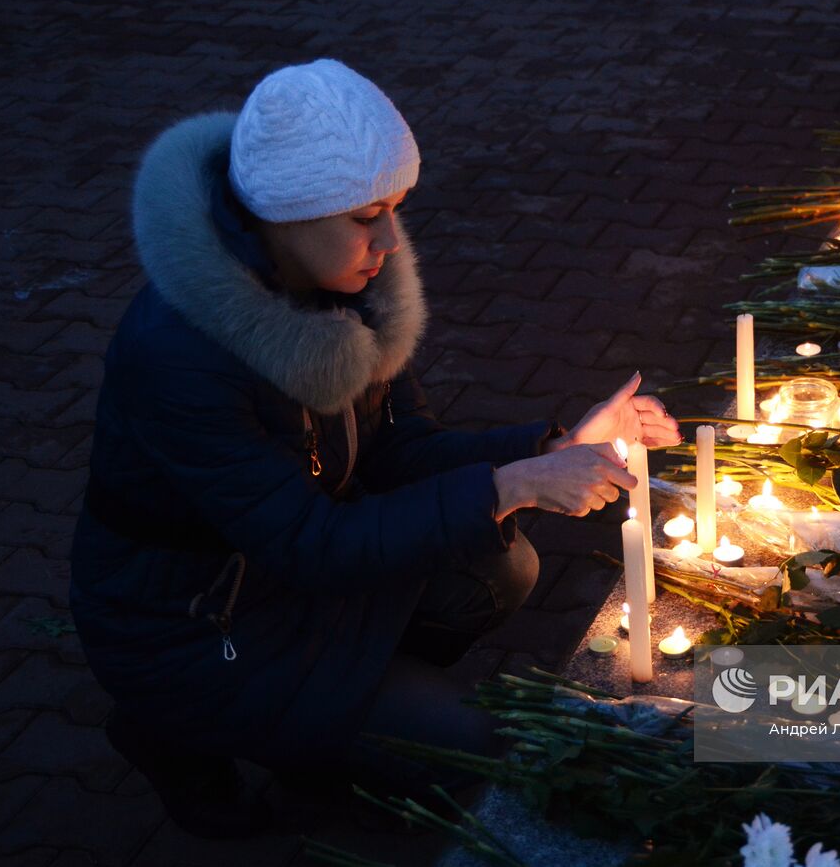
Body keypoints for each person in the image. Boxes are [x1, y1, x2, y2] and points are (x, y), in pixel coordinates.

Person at [68, 58, 681, 838]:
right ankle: (181, 729)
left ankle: (326, 721)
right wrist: (512, 485)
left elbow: (403, 450)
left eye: (395, 207)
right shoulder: (179, 354)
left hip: (288, 583)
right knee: (481, 750)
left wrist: (556, 445)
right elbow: (312, 543)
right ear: (286, 213)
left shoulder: (342, 290)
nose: (391, 240)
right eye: (367, 215)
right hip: (197, 628)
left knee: (501, 565)